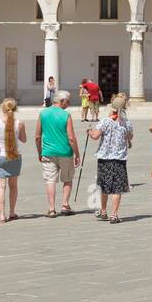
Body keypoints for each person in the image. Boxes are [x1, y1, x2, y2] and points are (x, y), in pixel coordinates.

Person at [87, 94, 133, 223]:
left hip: (104, 158)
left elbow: (95, 136)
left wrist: (90, 132)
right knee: (117, 188)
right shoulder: (126, 123)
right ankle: (114, 214)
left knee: (104, 186)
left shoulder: (105, 121)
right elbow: (130, 137)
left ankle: (103, 211)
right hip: (119, 159)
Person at [36, 90, 80, 217]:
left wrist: (40, 152)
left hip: (48, 152)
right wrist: (77, 154)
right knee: (67, 179)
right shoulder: (66, 115)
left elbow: (37, 136)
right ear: (61, 101)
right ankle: (65, 205)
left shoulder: (43, 114)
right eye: (68, 101)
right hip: (65, 152)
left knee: (50, 180)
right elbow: (71, 138)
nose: (69, 103)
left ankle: (51, 209)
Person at [0, 98, 26, 224]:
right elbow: (24, 139)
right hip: (15, 156)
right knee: (13, 186)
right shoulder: (19, 123)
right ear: (15, 109)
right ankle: (12, 212)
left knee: (0, 186)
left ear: (2, 108)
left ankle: (2, 215)